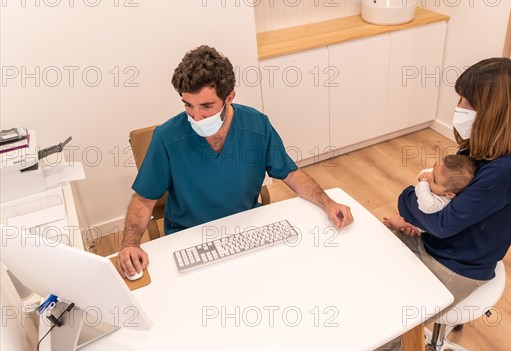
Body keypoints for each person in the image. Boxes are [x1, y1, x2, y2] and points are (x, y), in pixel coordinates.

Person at [117, 45, 354, 277]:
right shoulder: (167, 138)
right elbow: (143, 200)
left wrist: (327, 203)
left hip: (246, 229)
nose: (196, 117)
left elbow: (290, 173)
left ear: (229, 97)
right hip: (190, 238)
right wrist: (130, 244)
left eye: (206, 107)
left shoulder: (256, 125)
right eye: (188, 105)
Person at [377, 57, 511, 351]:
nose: (459, 106)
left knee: (383, 321)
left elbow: (442, 222)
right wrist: (420, 217)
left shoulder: (506, 170)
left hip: (458, 264)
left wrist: (409, 195)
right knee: (373, 251)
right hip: (445, 243)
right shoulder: (482, 149)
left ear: (494, 111)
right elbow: (442, 212)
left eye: (468, 101)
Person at [384, 154, 477, 234]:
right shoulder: (440, 180)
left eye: (435, 180)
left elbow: (425, 206)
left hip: (420, 222)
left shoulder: (442, 201)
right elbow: (424, 174)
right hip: (414, 208)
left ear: (449, 194)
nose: (429, 176)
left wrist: (423, 183)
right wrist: (426, 175)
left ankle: (393, 226)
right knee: (398, 214)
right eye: (433, 171)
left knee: (395, 221)